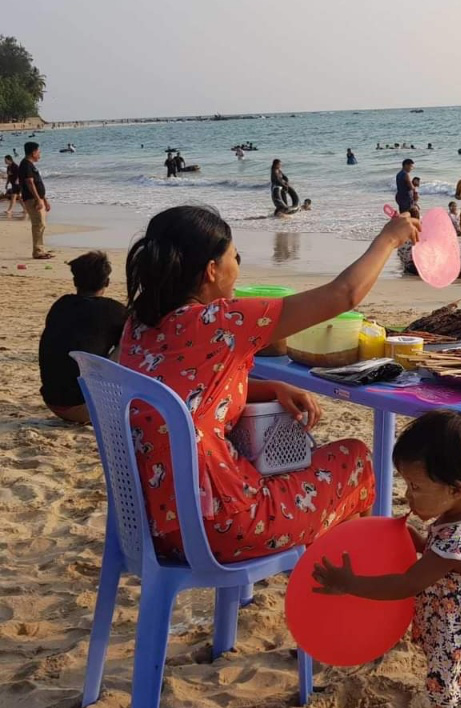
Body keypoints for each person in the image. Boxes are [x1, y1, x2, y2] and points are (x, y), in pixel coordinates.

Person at [119, 204, 419, 563]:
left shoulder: (138, 326)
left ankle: (332, 577)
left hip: (159, 525)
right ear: (212, 271)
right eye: (236, 257)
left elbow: (185, 394)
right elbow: (343, 295)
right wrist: (389, 239)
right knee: (354, 459)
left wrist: (270, 387)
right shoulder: (220, 321)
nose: (238, 267)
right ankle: (358, 583)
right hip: (220, 525)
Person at [312, 411, 461, 708]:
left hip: (455, 639)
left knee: (454, 696)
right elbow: (447, 561)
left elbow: (407, 583)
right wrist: (419, 541)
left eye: (415, 487)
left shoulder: (460, 538)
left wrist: (349, 583)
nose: (407, 495)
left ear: (455, 489)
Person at [39, 251, 127, 424]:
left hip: (52, 401)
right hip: (83, 406)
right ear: (107, 282)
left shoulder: (61, 304)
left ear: (74, 281)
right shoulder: (114, 311)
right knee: (128, 343)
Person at [19, 141, 52, 259]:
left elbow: (38, 184)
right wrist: (38, 200)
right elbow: (30, 183)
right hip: (32, 199)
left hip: (38, 199)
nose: (40, 154)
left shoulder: (30, 165)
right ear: (33, 153)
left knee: (41, 225)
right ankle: (38, 251)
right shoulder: (26, 165)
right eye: (39, 152)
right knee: (38, 224)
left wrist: (45, 200)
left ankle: (40, 249)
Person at [397, 205, 422, 273]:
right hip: (415, 264)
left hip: (406, 263)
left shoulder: (402, 227)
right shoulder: (419, 227)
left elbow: (400, 250)